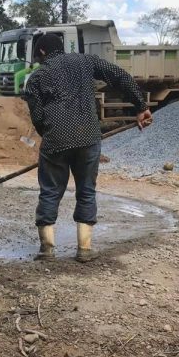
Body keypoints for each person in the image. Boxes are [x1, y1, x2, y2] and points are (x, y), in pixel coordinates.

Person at [23, 33, 153, 263]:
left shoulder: (36, 77)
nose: (37, 60)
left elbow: (38, 117)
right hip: (89, 137)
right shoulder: (86, 61)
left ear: (42, 51)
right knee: (86, 190)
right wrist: (140, 105)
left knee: (50, 191)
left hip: (56, 139)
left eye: (36, 55)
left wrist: (53, 136)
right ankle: (84, 250)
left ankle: (47, 249)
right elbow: (119, 76)